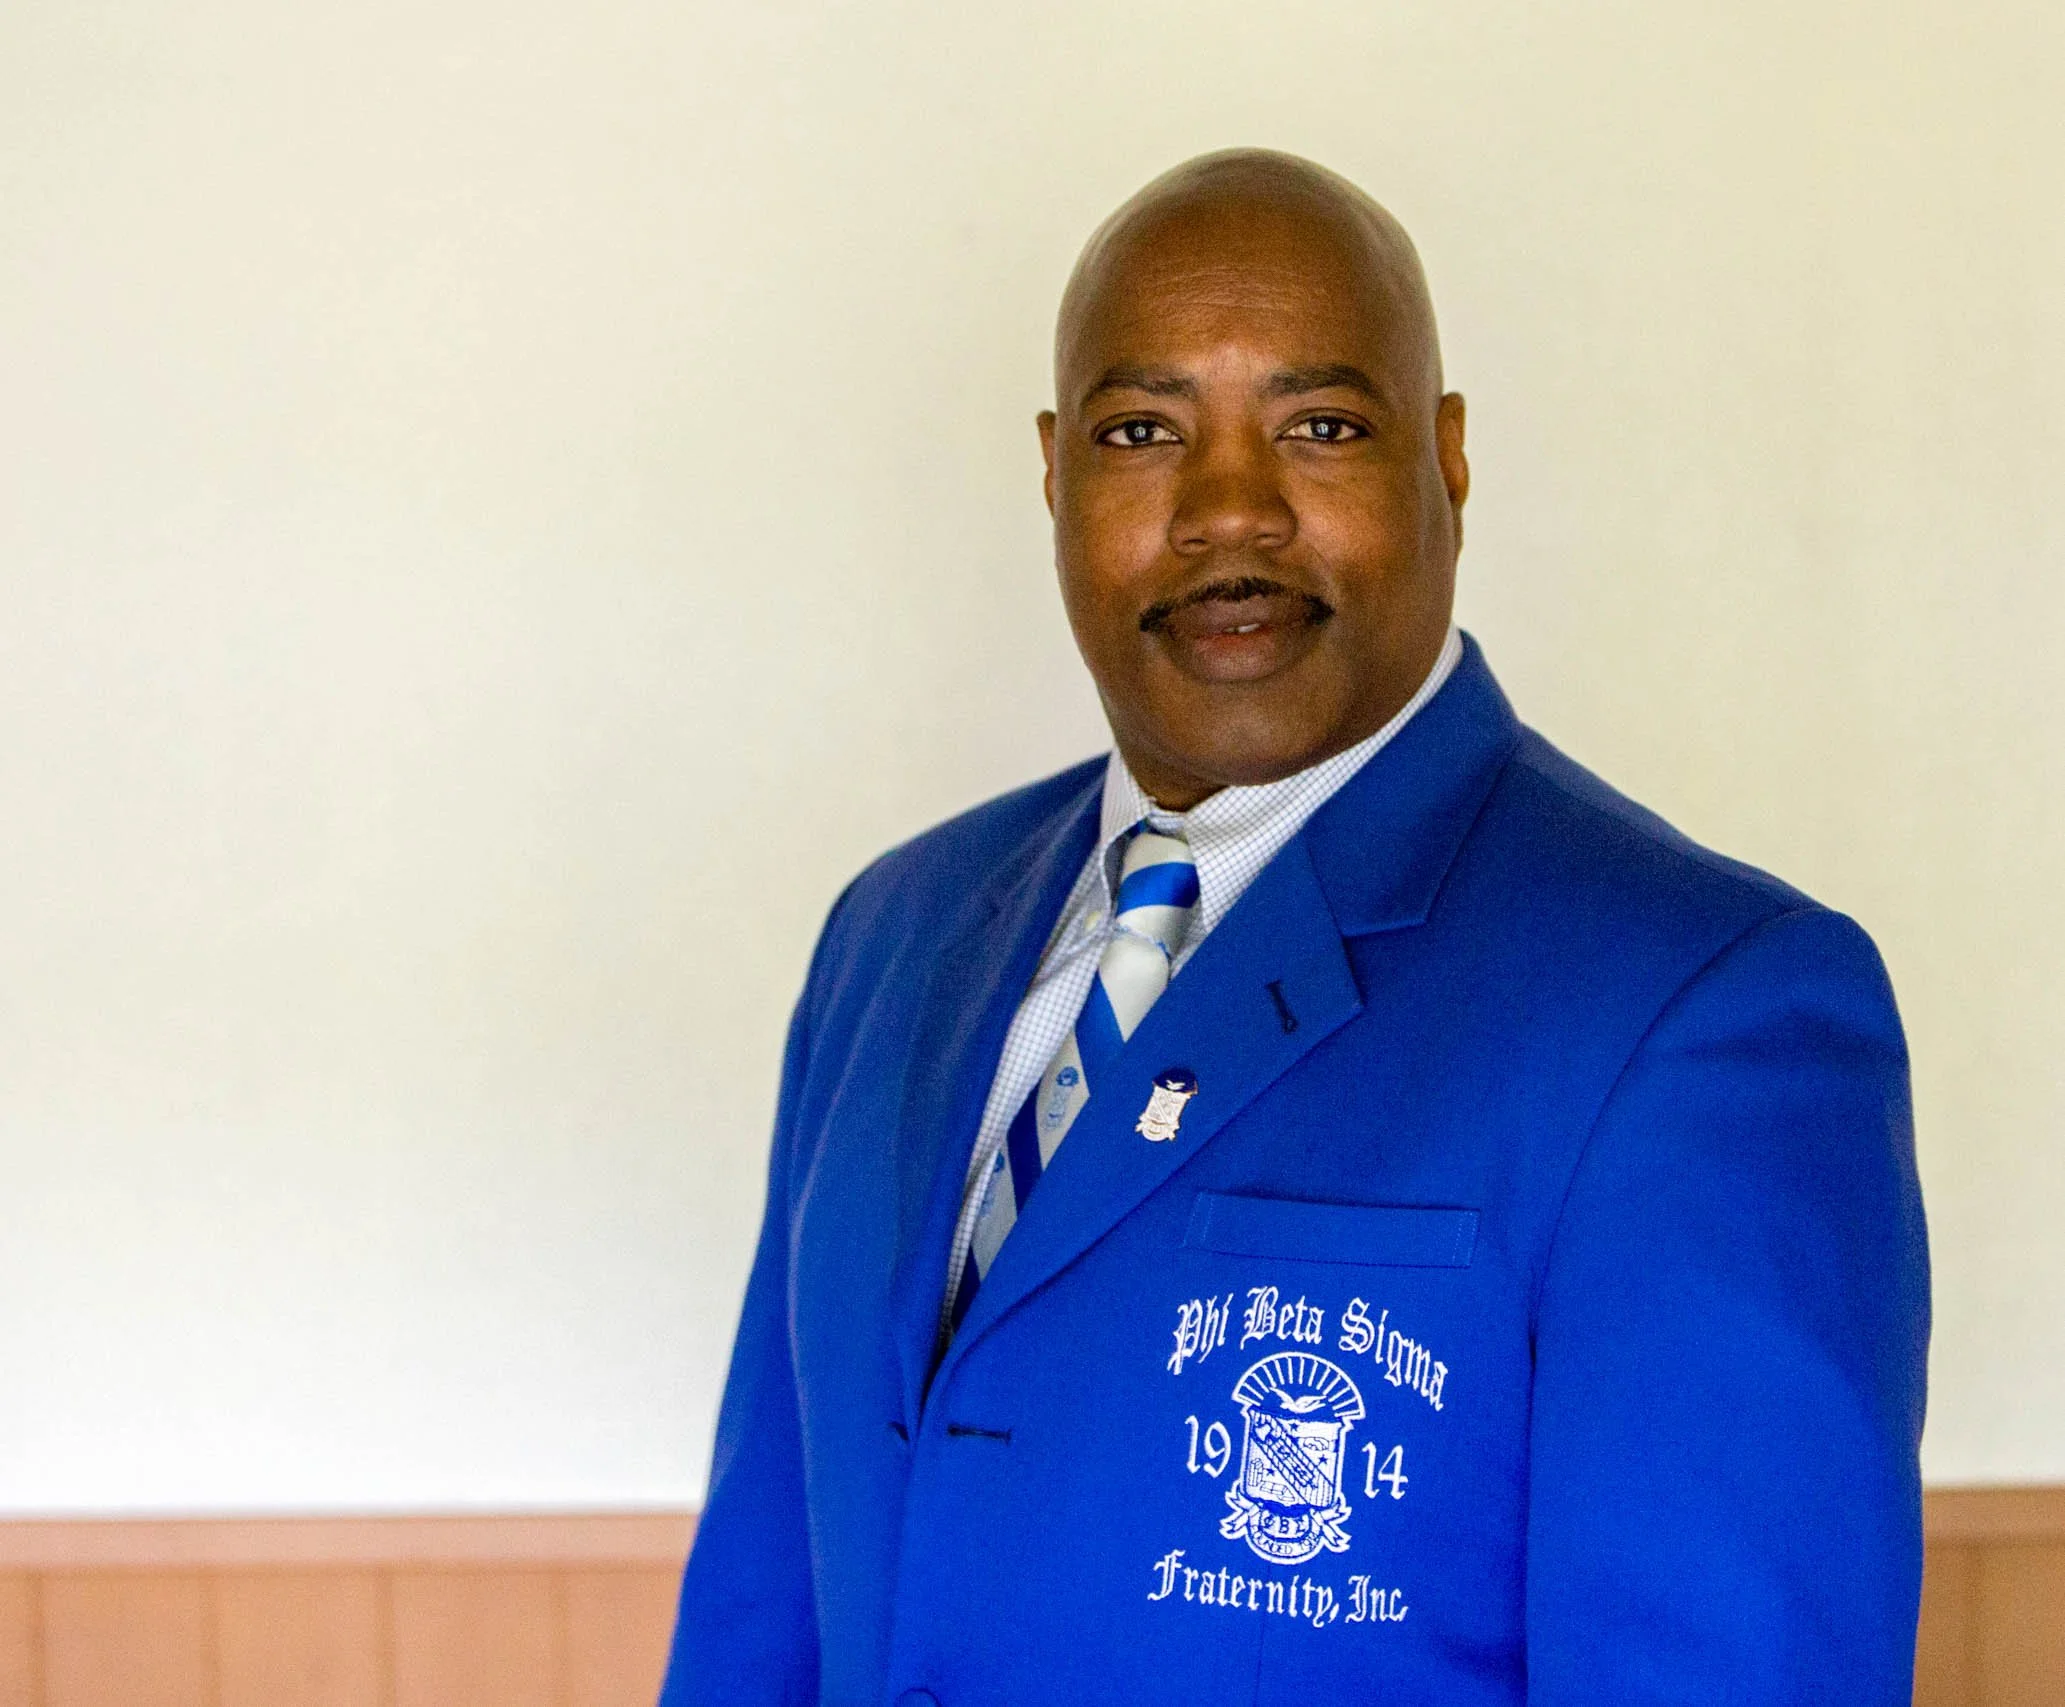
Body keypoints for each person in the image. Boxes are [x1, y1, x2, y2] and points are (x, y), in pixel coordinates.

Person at [658, 149, 1930, 1706]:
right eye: (1144, 433)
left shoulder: (1706, 1018)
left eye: (1319, 427)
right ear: (1056, 473)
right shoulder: (892, 939)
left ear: (1447, 461)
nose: (1229, 510)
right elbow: (762, 1611)